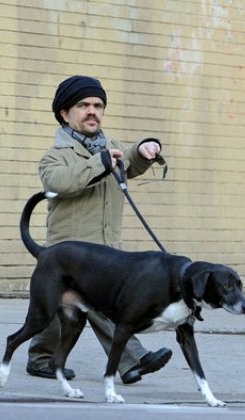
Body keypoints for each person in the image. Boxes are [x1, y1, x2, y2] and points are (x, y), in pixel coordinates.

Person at [25, 75, 172, 385]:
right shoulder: (55, 156)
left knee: (59, 312)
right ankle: (133, 360)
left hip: (108, 250)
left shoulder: (112, 147)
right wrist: (100, 162)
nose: (92, 111)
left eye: (98, 105)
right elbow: (61, 183)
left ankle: (42, 357)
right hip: (69, 253)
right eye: (83, 105)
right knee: (93, 308)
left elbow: (129, 158)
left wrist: (145, 149)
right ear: (65, 113)